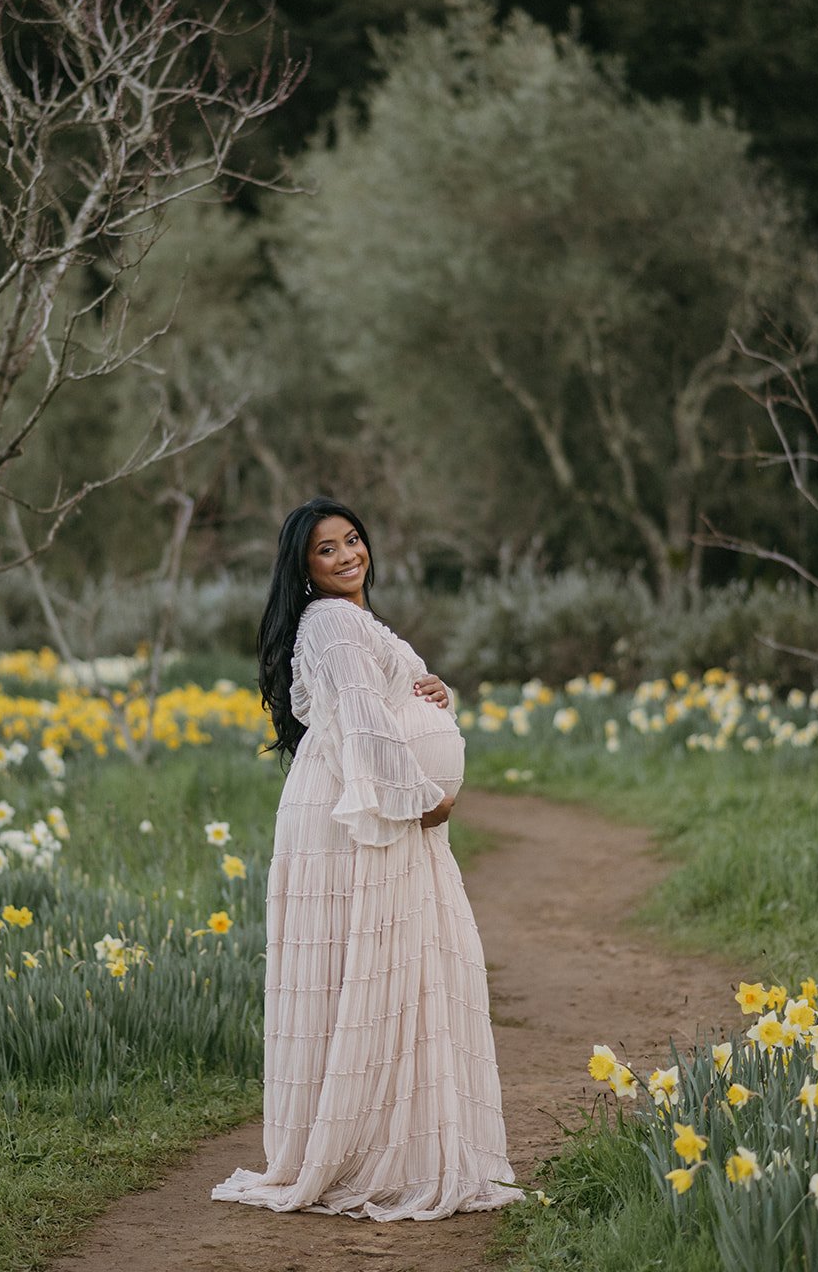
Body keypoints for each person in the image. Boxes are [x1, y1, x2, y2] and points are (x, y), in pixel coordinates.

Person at [211, 495, 522, 1221]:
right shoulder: (332, 621)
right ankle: (365, 1149)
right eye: (327, 549)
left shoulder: (347, 620)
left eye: (352, 540)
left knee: (384, 970)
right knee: (375, 968)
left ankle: (383, 1139)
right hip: (365, 815)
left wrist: (436, 698)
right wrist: (418, 799)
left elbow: (380, 703)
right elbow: (358, 718)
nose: (348, 554)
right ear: (304, 567)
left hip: (363, 807)